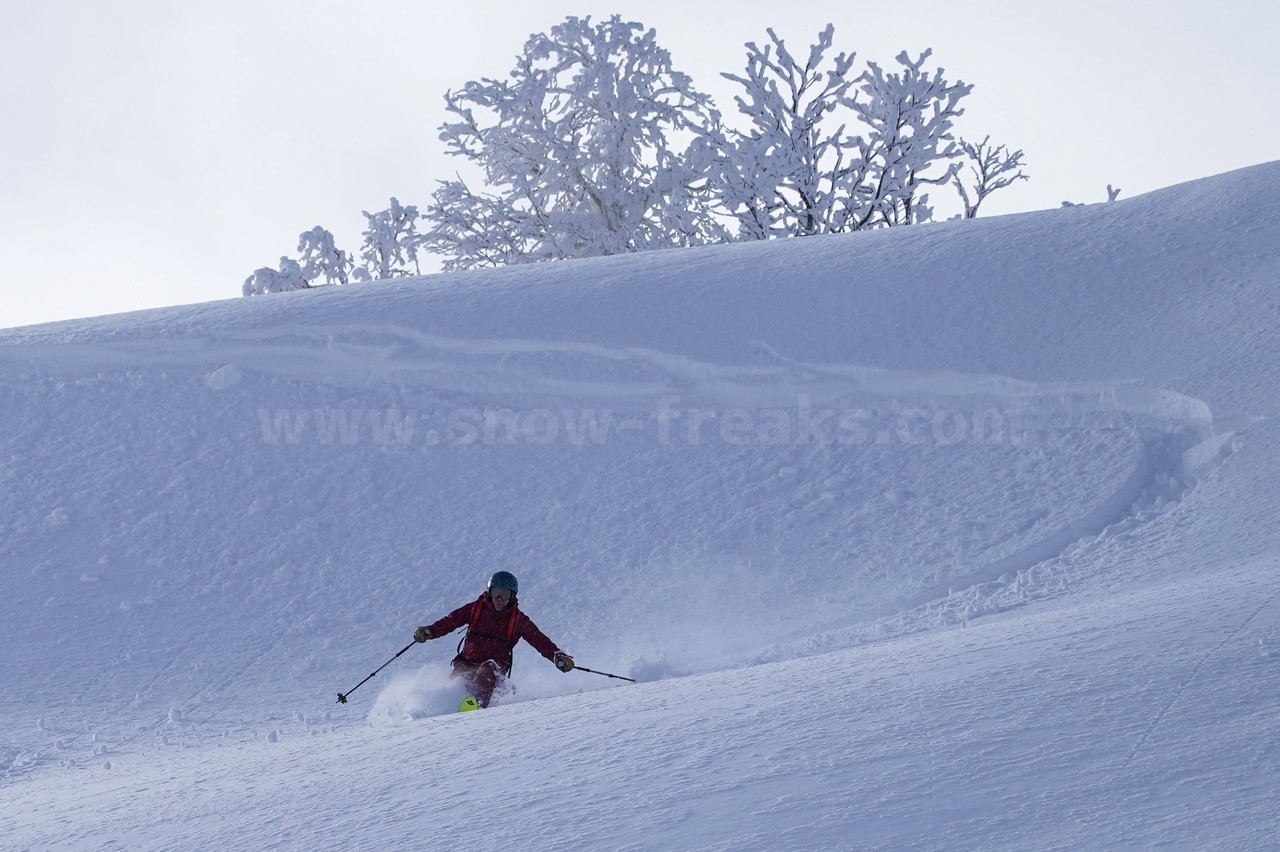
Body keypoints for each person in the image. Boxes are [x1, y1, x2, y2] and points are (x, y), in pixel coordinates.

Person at [413, 571, 574, 708]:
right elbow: (450, 621)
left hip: (495, 664)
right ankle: (440, 709)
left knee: (487, 670)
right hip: (467, 661)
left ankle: (479, 707)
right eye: (496, 592)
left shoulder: (518, 620)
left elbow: (540, 641)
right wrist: (429, 632)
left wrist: (557, 656)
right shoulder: (475, 609)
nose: (499, 598)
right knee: (457, 679)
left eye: (505, 594)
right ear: (489, 591)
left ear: (512, 597)